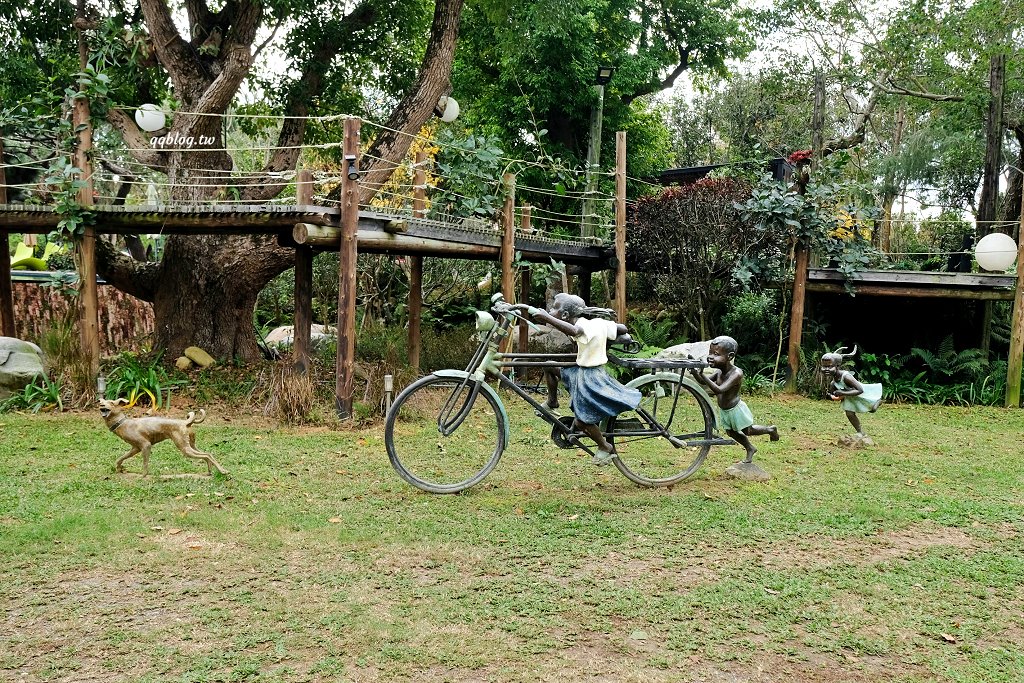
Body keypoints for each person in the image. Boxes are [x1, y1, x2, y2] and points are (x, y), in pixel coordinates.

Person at [516, 293, 641, 466]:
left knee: (582, 421)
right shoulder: (595, 323)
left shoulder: (583, 325)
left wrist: (546, 318)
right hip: (580, 370)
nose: (550, 310)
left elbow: (575, 331)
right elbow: (622, 329)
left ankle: (604, 446)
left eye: (554, 308)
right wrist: (611, 326)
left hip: (591, 376)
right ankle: (552, 403)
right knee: (549, 365)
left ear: (565, 315)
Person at [688, 335, 779, 463]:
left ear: (729, 357)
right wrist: (695, 373)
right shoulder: (719, 372)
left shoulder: (736, 373)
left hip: (736, 409)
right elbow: (703, 382)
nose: (710, 357)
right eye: (710, 353)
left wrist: (702, 374)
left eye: (716, 354)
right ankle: (750, 448)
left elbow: (718, 390)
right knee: (731, 433)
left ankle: (770, 429)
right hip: (725, 410)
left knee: (748, 430)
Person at [819, 346, 882, 437]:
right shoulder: (834, 381)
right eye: (824, 367)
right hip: (850, 396)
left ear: (837, 366)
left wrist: (842, 393)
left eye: (829, 366)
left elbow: (860, 390)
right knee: (849, 413)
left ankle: (878, 401)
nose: (826, 369)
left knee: (872, 409)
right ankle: (860, 432)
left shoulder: (846, 377)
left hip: (860, 393)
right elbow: (836, 394)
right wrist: (832, 395)